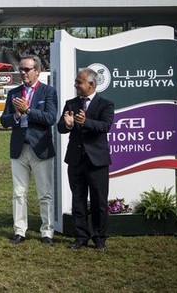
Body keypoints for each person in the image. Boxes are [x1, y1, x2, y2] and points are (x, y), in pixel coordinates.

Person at [0, 55, 58, 246]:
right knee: (19, 192)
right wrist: (16, 115)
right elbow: (3, 120)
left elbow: (50, 118)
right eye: (21, 69)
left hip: (40, 147)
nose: (23, 73)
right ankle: (19, 230)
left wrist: (28, 111)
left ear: (37, 71)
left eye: (27, 69)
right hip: (19, 148)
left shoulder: (48, 92)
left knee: (45, 193)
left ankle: (47, 231)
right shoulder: (14, 93)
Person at [58, 68, 114, 251]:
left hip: (97, 161)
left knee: (99, 201)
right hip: (75, 160)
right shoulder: (71, 104)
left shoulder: (105, 104)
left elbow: (106, 125)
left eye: (79, 82)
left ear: (91, 85)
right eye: (75, 81)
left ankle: (100, 238)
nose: (75, 85)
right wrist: (67, 124)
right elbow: (61, 127)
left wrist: (86, 122)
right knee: (78, 200)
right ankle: (81, 236)